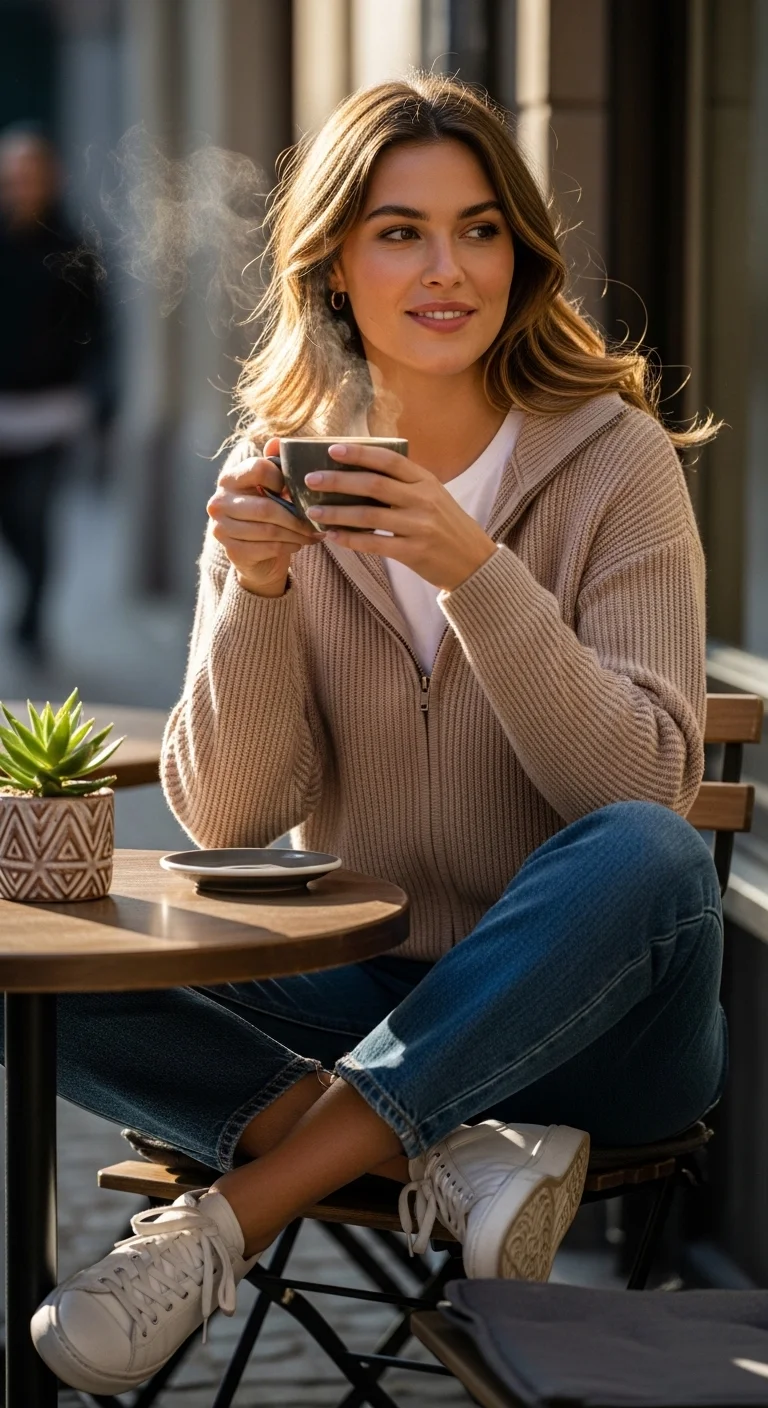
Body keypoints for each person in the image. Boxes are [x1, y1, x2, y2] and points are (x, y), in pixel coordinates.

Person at [26, 76, 725, 1397]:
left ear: (523, 255)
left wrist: (480, 574)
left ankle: (233, 1219)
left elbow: (641, 785)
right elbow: (227, 811)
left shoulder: (614, 461)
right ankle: (447, 1162)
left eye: (479, 229)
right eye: (400, 231)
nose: (446, 268)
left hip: (607, 1034)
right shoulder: (283, 462)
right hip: (369, 995)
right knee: (29, 961)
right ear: (337, 261)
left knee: (644, 850)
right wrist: (256, 590)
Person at [0, 126, 101, 658]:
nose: (23, 185)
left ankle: (33, 618)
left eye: (32, 175)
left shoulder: (75, 248)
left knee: (34, 513)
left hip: (52, 412)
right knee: (9, 520)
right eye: (14, 176)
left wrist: (99, 397)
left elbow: (98, 330)